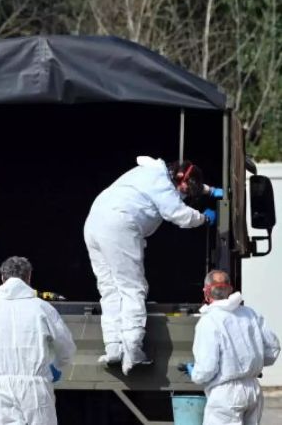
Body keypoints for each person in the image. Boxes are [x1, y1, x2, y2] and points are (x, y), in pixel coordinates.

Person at [84, 156, 221, 374]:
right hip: (119, 224)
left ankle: (114, 349)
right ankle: (133, 352)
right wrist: (203, 219)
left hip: (93, 224)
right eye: (186, 192)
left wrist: (209, 190)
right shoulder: (163, 185)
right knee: (132, 288)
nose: (185, 196)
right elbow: (179, 214)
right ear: (179, 180)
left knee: (109, 289)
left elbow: (186, 182)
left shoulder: (151, 172)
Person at [0, 256, 76, 425]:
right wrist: (58, 364)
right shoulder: (42, 307)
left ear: (2, 278)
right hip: (36, 389)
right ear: (29, 277)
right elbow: (66, 344)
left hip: (2, 388)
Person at [181, 270, 280, 425]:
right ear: (230, 289)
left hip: (226, 395)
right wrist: (250, 365)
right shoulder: (249, 314)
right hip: (253, 389)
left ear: (207, 291)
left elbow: (206, 369)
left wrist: (195, 373)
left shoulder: (209, 321)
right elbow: (273, 349)